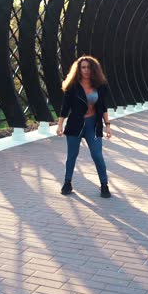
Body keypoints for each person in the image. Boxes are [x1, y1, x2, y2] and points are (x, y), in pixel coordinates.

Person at [56, 55, 113, 198]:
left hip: (93, 125)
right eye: (83, 67)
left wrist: (108, 125)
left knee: (97, 155)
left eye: (88, 67)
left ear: (93, 69)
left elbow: (103, 107)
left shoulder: (100, 86)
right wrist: (60, 125)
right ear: (79, 69)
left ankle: (104, 186)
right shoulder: (72, 87)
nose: (86, 70)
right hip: (75, 125)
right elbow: (65, 107)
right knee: (72, 156)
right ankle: (67, 183)